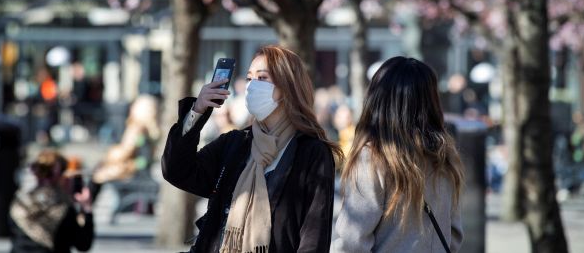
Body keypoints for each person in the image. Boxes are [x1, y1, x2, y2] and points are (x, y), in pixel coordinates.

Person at [162, 45, 341, 253]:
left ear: (288, 86)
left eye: (262, 78)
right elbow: (177, 171)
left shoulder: (311, 152)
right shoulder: (236, 143)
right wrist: (197, 111)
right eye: (249, 78)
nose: (252, 86)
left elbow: (313, 235)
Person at [332, 57, 464, 253]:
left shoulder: (373, 157)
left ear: (377, 101)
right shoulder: (444, 157)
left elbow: (353, 240)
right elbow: (454, 234)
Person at [9, 149, 94, 253]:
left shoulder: (19, 203)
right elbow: (83, 244)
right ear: (60, 175)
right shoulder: (63, 208)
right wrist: (87, 209)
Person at [90, 95, 160, 200]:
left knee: (97, 175)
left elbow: (125, 152)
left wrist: (110, 154)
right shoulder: (153, 130)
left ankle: (87, 207)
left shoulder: (136, 128)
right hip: (139, 170)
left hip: (130, 171)